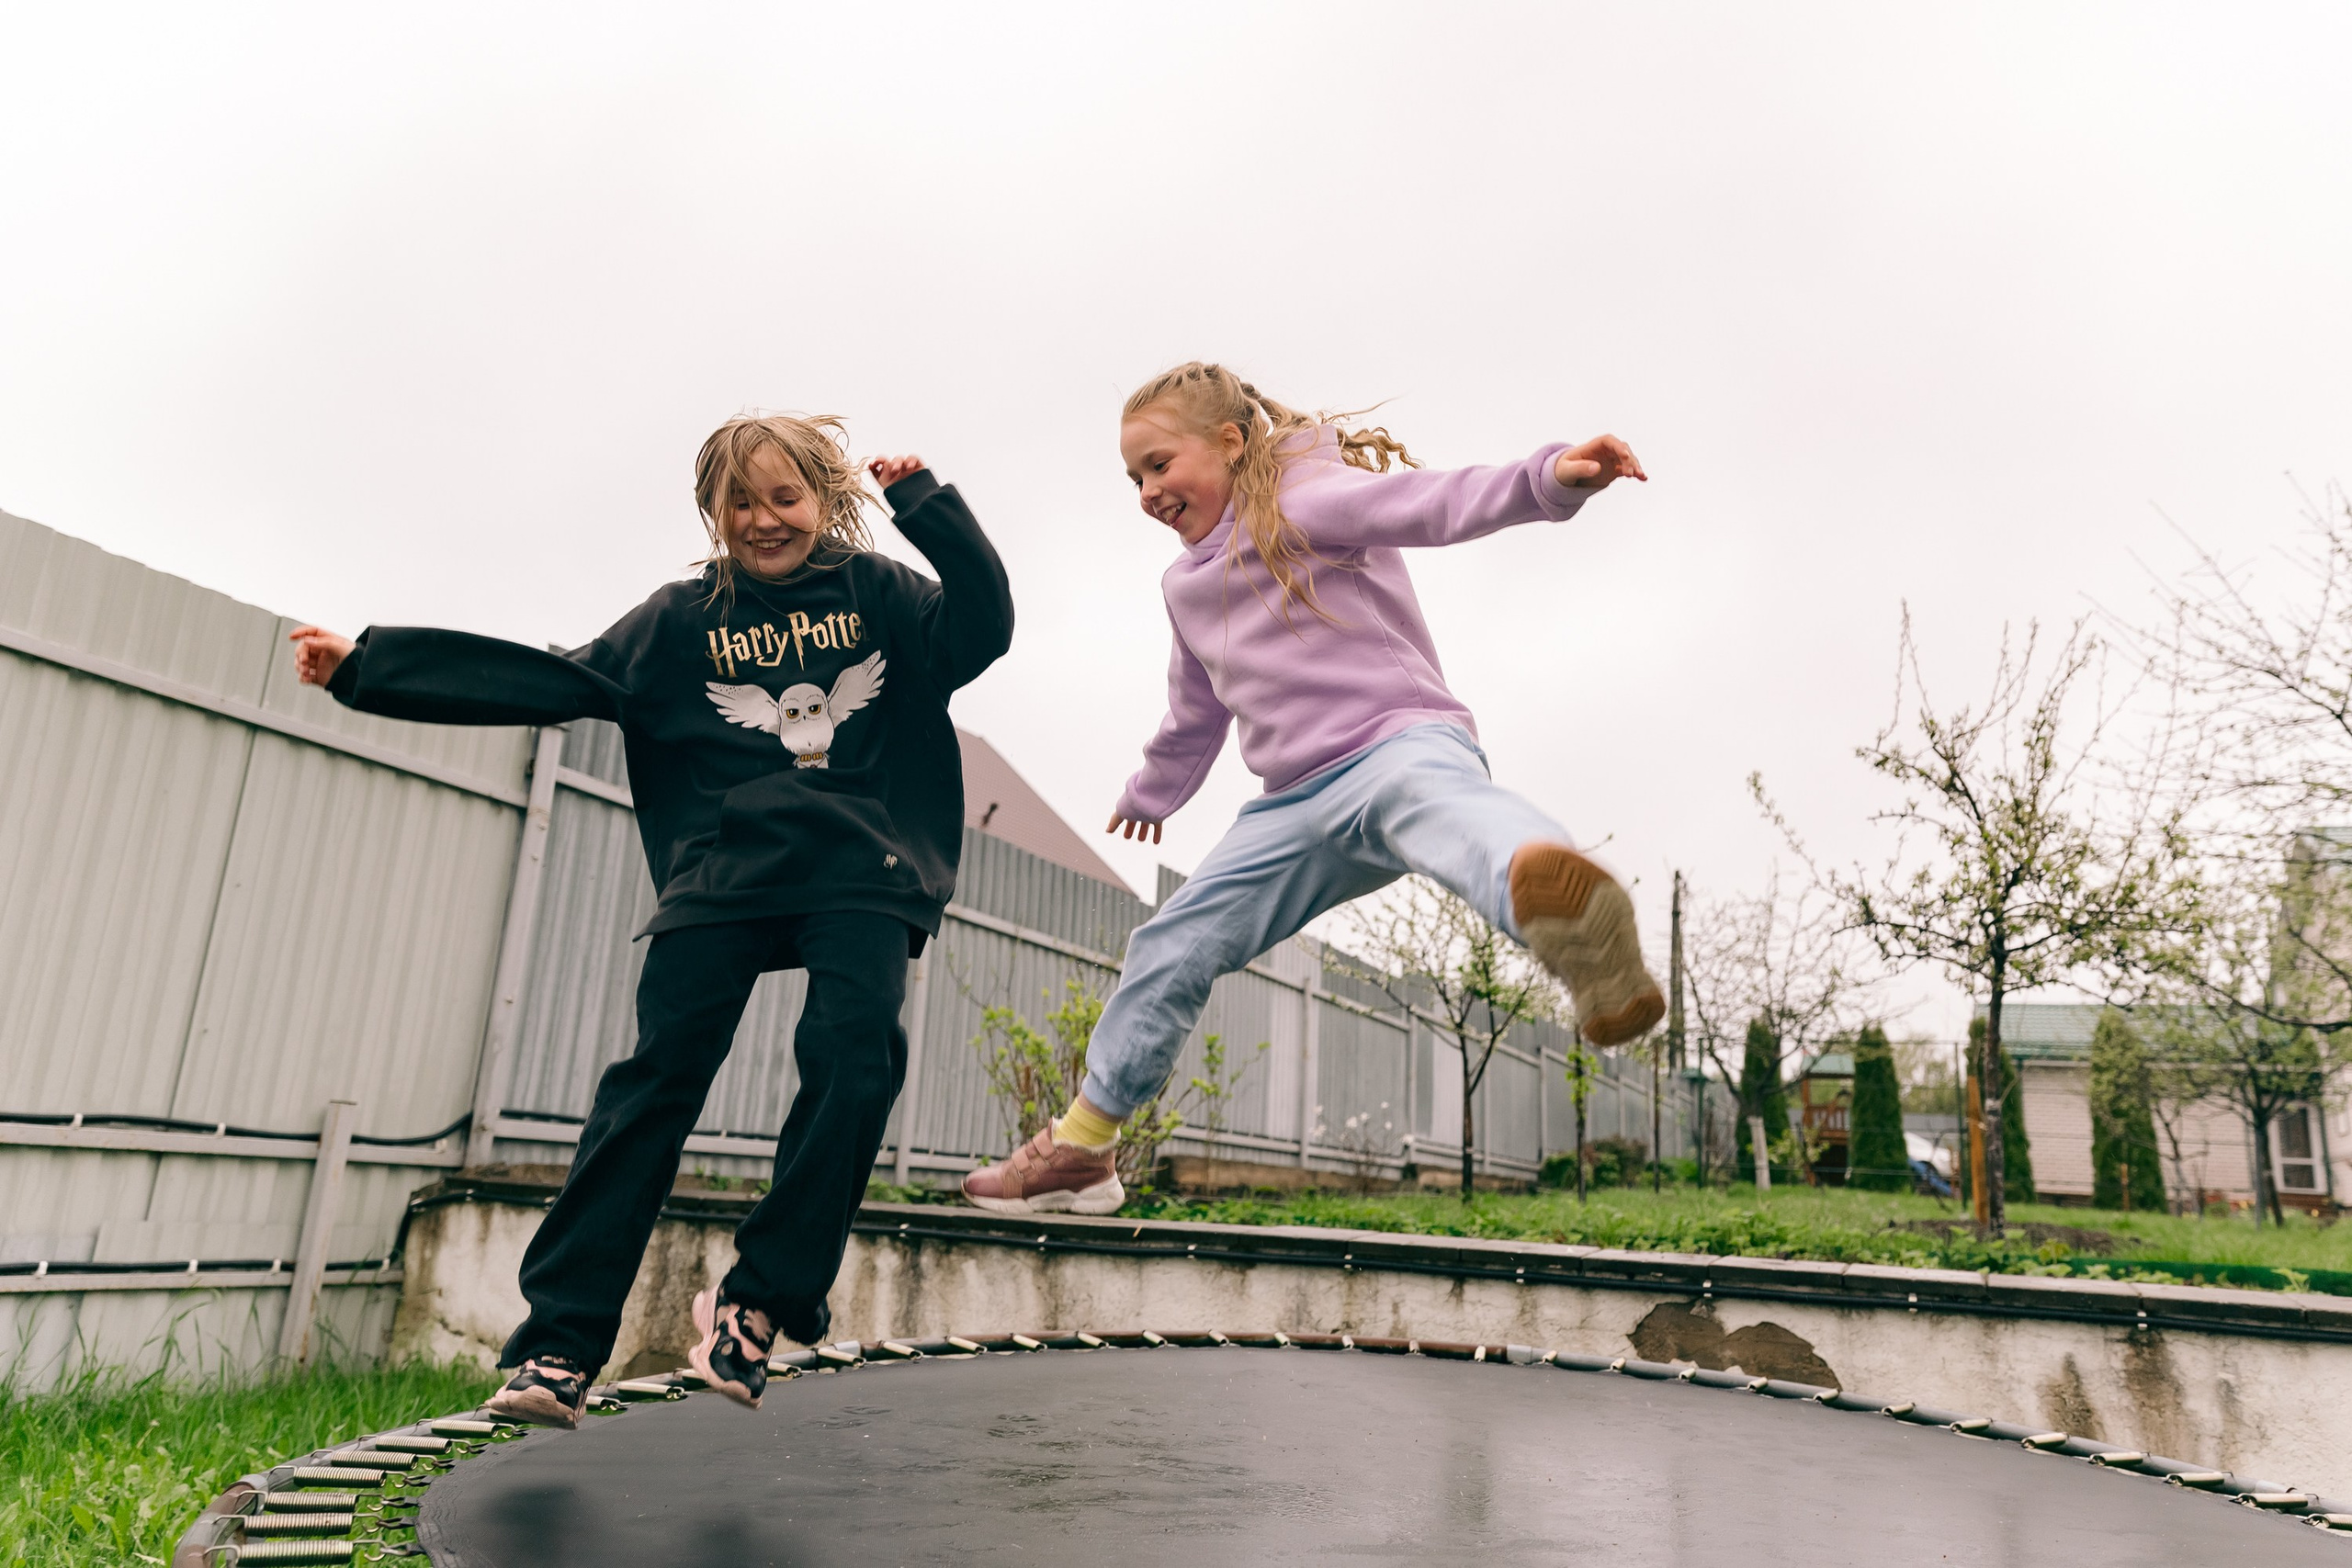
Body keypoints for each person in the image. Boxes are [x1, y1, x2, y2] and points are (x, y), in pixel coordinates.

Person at [291, 414, 1012, 1423]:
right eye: (740, 503)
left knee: (856, 1061)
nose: (763, 521)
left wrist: (927, 503)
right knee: (651, 1089)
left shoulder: (879, 593)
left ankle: (759, 1303)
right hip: (723, 874)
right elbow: (557, 682)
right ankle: (558, 1349)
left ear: (823, 499)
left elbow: (982, 630)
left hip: (862, 867)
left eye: (784, 498)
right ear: (712, 513)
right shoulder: (681, 617)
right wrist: (370, 668)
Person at [962, 362, 1657, 1215]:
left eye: (1160, 464)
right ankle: (1084, 1144)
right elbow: (1194, 709)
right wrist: (1153, 790)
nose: (1147, 491)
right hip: (1293, 805)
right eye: (1134, 476)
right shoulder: (1185, 587)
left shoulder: (1305, 501)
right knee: (1173, 941)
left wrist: (1545, 480)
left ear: (1230, 441)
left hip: (1395, 745)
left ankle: (1576, 928)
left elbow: (1427, 503)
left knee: (1445, 811)